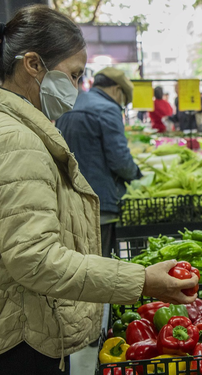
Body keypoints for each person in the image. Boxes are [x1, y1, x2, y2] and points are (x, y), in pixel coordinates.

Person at [0, 6, 198, 375]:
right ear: (33, 65)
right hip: (16, 332)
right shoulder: (13, 140)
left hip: (0, 317)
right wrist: (141, 281)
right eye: (73, 74)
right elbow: (35, 260)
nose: (77, 87)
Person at [56, 67, 142, 257]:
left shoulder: (71, 104)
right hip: (99, 202)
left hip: (70, 199)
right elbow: (120, 160)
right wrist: (136, 173)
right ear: (117, 90)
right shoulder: (107, 108)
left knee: (81, 262)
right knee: (102, 264)